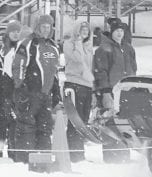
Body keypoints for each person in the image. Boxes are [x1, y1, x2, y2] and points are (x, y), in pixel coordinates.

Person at [12, 15, 61, 163]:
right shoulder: (28, 43)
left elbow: (55, 72)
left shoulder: (53, 46)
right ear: (37, 27)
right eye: (43, 26)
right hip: (29, 94)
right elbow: (18, 66)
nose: (46, 30)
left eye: (49, 27)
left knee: (45, 128)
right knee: (27, 127)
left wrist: (56, 93)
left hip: (46, 95)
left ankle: (42, 160)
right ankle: (23, 161)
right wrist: (21, 88)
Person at [93, 22, 137, 162]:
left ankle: (123, 155)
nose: (119, 33)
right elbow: (100, 71)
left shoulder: (128, 48)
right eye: (117, 31)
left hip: (125, 91)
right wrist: (105, 91)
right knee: (110, 123)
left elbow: (134, 68)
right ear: (111, 32)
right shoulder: (104, 49)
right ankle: (111, 157)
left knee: (124, 123)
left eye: (122, 31)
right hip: (110, 90)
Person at [63, 21, 94, 162]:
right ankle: (74, 154)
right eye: (82, 30)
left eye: (87, 31)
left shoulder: (89, 46)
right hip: (74, 84)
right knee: (75, 121)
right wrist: (79, 43)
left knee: (84, 121)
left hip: (87, 85)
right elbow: (77, 59)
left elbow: (90, 66)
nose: (85, 33)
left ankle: (79, 152)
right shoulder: (70, 44)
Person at [0, 20, 21, 159]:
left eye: (17, 31)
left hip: (16, 88)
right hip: (3, 86)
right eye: (13, 31)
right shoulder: (2, 48)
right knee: (2, 119)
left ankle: (13, 149)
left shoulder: (22, 48)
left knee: (15, 118)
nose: (15, 33)